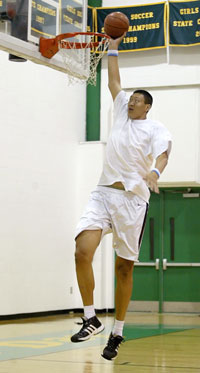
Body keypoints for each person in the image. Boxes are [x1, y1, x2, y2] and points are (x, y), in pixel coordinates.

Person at [70, 33, 172, 361]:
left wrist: (155, 173)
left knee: (124, 269)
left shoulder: (156, 129)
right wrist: (113, 46)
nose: (130, 103)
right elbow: (114, 80)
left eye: (136, 101)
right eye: (129, 100)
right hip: (103, 193)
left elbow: (163, 156)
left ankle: (118, 332)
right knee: (82, 251)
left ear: (147, 106)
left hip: (133, 201)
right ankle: (91, 318)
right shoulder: (119, 113)